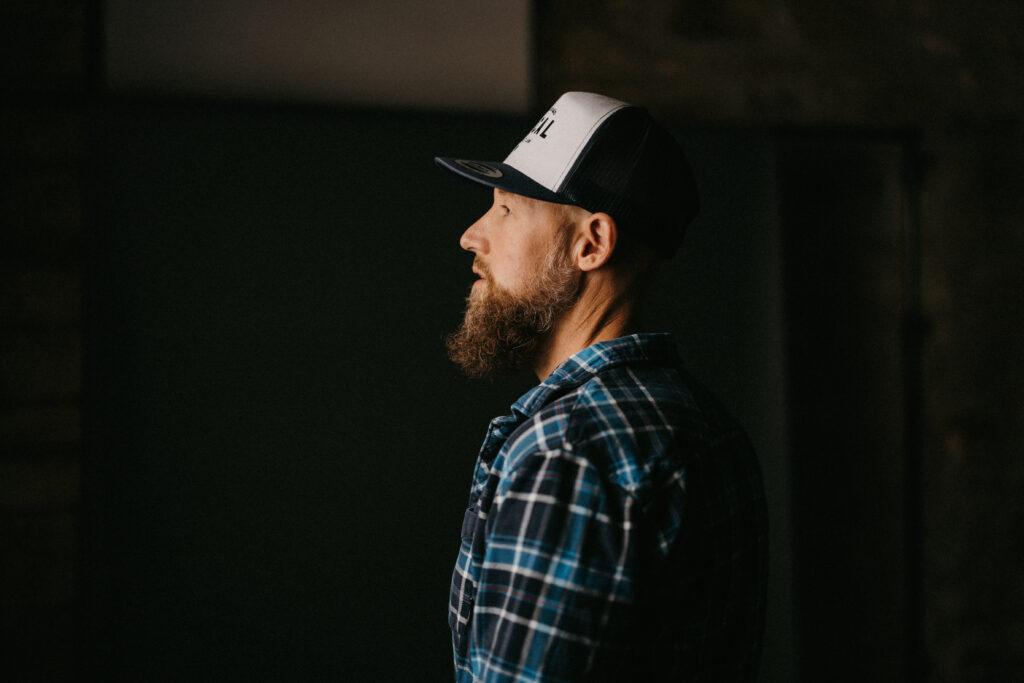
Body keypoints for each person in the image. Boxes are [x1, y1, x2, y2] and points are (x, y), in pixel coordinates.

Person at [436, 92, 768, 682]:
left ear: (592, 243)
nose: (472, 236)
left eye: (507, 211)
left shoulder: (569, 452)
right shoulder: (701, 420)